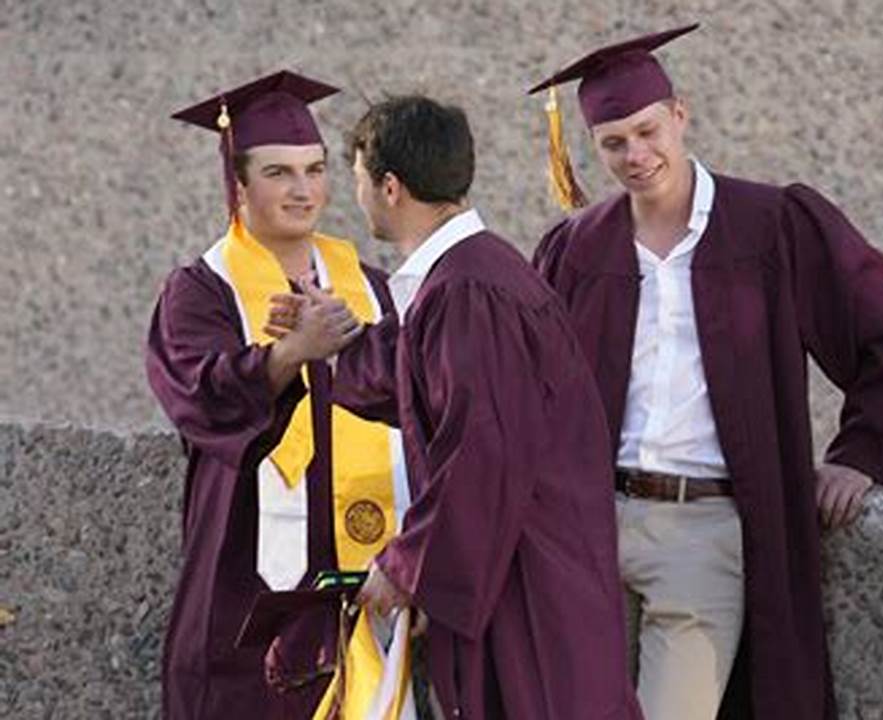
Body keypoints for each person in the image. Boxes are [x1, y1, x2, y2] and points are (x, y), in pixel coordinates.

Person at [527, 23, 883, 720]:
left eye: (647, 130)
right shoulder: (575, 249)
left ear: (679, 116)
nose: (636, 154)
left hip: (705, 529)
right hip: (593, 529)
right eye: (614, 142)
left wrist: (863, 452)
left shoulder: (771, 223)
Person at [269, 94, 641, 719]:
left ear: (390, 187)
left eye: (357, 180)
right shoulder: (468, 278)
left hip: (533, 581)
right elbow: (421, 388)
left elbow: (481, 451)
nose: (353, 197)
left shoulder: (470, 291)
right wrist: (335, 337)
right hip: (515, 567)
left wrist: (407, 564)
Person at [145, 70, 410, 718]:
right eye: (278, 173)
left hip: (364, 587)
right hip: (246, 594)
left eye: (315, 170)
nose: (302, 190)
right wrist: (292, 353)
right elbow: (199, 398)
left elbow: (420, 403)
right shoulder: (201, 291)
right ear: (237, 186)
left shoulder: (370, 285)